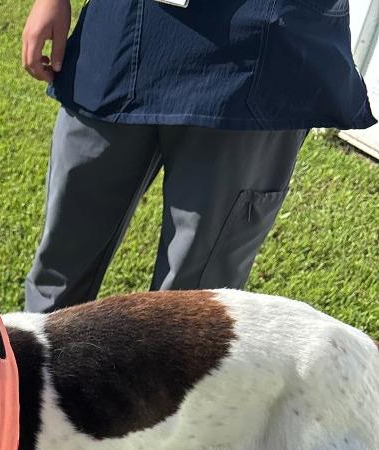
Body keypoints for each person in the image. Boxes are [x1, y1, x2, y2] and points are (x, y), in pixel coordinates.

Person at [21, 0, 375, 313]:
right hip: (121, 33)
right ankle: (25, 387)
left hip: (259, 58)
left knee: (191, 306)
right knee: (58, 273)